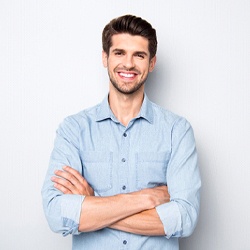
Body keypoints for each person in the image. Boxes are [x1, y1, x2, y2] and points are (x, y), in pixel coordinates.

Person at [42, 14, 201, 250]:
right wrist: (145, 199)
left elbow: (185, 218)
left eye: (139, 55)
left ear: (152, 62)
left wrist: (94, 206)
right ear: (105, 58)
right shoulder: (74, 129)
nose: (128, 64)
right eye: (119, 53)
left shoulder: (176, 131)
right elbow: (57, 214)